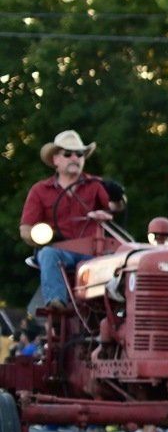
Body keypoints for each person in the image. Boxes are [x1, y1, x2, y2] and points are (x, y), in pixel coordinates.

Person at [18, 129, 114, 312]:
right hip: (60, 251)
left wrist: (108, 211)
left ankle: (116, 311)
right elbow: (25, 229)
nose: (75, 158)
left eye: (79, 154)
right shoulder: (40, 190)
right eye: (68, 154)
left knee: (122, 259)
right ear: (56, 159)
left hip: (93, 253)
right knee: (47, 253)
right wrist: (43, 235)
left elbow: (115, 206)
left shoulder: (96, 185)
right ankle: (56, 303)